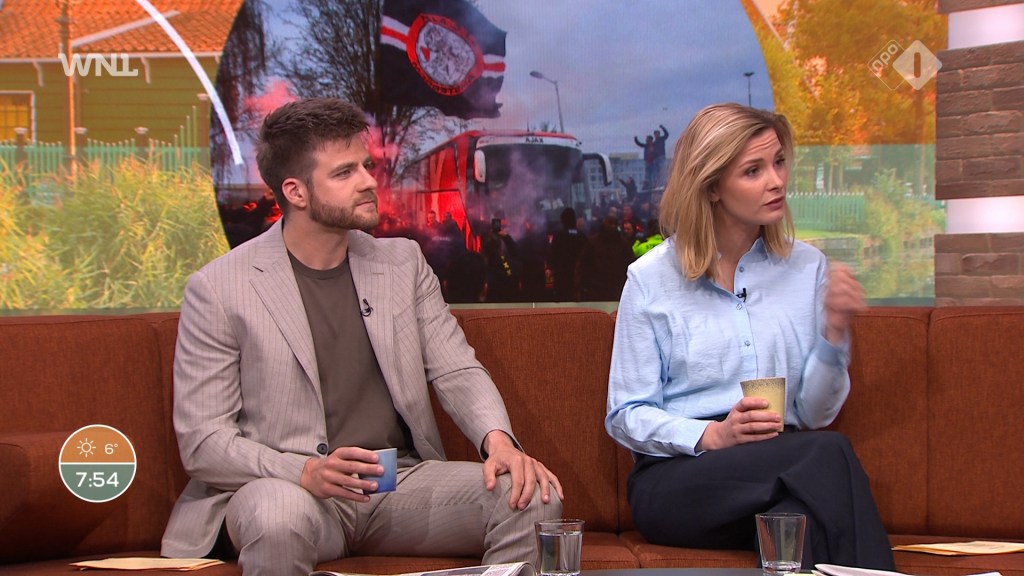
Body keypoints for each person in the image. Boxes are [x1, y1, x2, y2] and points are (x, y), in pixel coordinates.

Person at [161, 98, 563, 576]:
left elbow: (456, 368)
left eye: (366, 166)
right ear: (296, 191)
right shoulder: (219, 288)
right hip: (288, 489)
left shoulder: (402, 263)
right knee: (277, 518)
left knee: (532, 496)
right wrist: (303, 471)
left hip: (395, 484)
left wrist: (499, 443)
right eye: (344, 172)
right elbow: (204, 441)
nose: (369, 181)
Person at [605, 103, 894, 570]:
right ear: (712, 186)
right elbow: (626, 415)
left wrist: (834, 333)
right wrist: (713, 434)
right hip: (682, 478)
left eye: (779, 162)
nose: (776, 181)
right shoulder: (650, 279)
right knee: (829, 456)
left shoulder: (808, 268)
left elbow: (814, 415)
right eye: (754, 170)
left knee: (797, 516)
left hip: (783, 459)